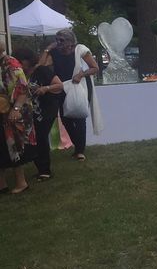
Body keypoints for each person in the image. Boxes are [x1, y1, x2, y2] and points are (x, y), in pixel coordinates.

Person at [39, 29, 100, 161]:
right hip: (62, 87)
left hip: (78, 86)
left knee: (79, 116)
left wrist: (81, 74)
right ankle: (78, 145)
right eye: (57, 40)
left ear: (71, 42)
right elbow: (41, 66)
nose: (59, 43)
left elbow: (95, 67)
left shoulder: (80, 50)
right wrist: (48, 49)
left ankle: (79, 150)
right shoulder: (54, 52)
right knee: (65, 118)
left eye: (62, 40)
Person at [12, 47, 62, 181]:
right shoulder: (19, 74)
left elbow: (59, 85)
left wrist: (46, 88)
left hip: (45, 110)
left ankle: (45, 170)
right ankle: (40, 168)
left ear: (28, 60)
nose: (20, 64)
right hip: (29, 113)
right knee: (34, 139)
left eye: (21, 61)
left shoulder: (42, 71)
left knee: (40, 137)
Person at [0, 44, 36, 194]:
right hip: (2, 110)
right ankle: (2, 185)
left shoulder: (11, 63)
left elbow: (23, 88)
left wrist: (16, 109)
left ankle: (22, 182)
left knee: (14, 146)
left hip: (14, 111)